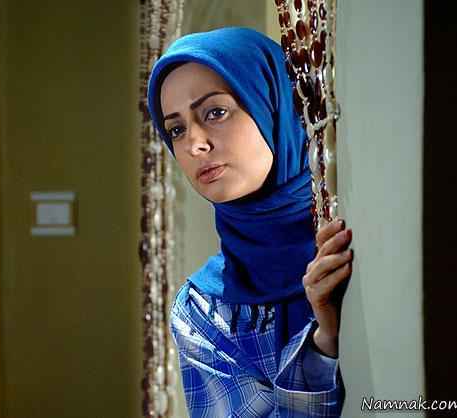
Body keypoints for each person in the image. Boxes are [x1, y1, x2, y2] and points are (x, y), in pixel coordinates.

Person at [146, 27, 353, 417]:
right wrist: (323, 343)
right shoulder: (203, 313)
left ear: (273, 104)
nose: (194, 144)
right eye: (176, 129)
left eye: (215, 112)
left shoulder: (360, 230)